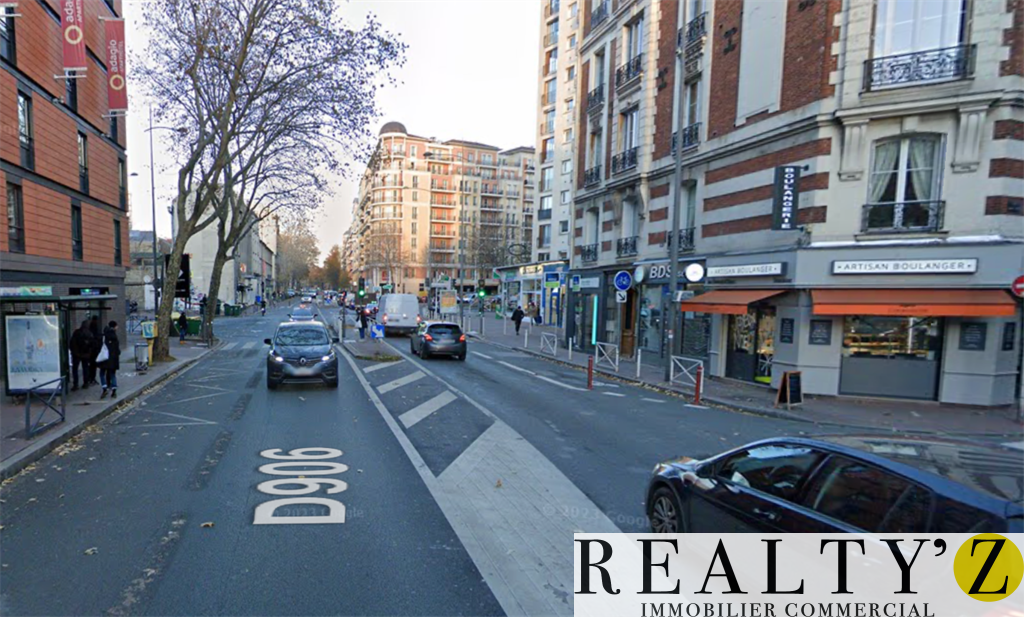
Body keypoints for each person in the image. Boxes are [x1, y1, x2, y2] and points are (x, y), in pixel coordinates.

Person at [69, 320, 94, 391]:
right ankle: (86, 383)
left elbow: (72, 342)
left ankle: (75, 384)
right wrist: (89, 352)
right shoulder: (89, 333)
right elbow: (92, 344)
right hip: (85, 354)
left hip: (76, 354)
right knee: (85, 368)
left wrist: (73, 351)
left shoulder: (77, 332)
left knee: (75, 369)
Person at [98, 320, 121, 399]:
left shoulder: (104, 335)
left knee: (102, 373)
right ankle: (114, 389)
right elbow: (117, 350)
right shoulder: (115, 336)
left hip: (105, 357)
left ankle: (104, 388)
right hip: (113, 358)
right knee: (112, 374)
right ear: (114, 327)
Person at [87, 315, 102, 386]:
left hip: (92, 350)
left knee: (91, 365)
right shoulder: (94, 327)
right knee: (93, 365)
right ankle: (92, 378)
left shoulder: (91, 327)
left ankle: (91, 378)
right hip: (93, 350)